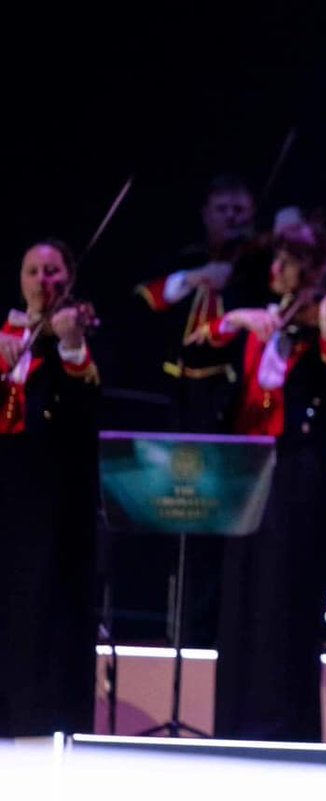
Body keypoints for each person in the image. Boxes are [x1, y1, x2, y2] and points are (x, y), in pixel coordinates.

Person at [193, 217, 326, 741]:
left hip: (297, 471)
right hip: (246, 469)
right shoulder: (259, 319)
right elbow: (194, 352)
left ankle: (284, 721)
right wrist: (234, 319)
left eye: (289, 261)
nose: (278, 268)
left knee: (286, 589)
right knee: (241, 588)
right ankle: (236, 717)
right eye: (277, 260)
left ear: (309, 270)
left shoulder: (321, 320)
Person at [0, 239, 100, 737]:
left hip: (50, 490)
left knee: (39, 603)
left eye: (52, 271)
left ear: (69, 278)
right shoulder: (5, 333)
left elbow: (87, 413)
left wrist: (71, 346)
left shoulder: (74, 330)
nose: (43, 280)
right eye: (33, 270)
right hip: (6, 482)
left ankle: (37, 715)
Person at [134, 174, 271, 433]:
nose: (231, 217)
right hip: (179, 388)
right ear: (206, 214)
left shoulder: (258, 265)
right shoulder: (187, 259)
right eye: (222, 209)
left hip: (236, 388)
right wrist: (198, 276)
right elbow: (147, 299)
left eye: (239, 210)